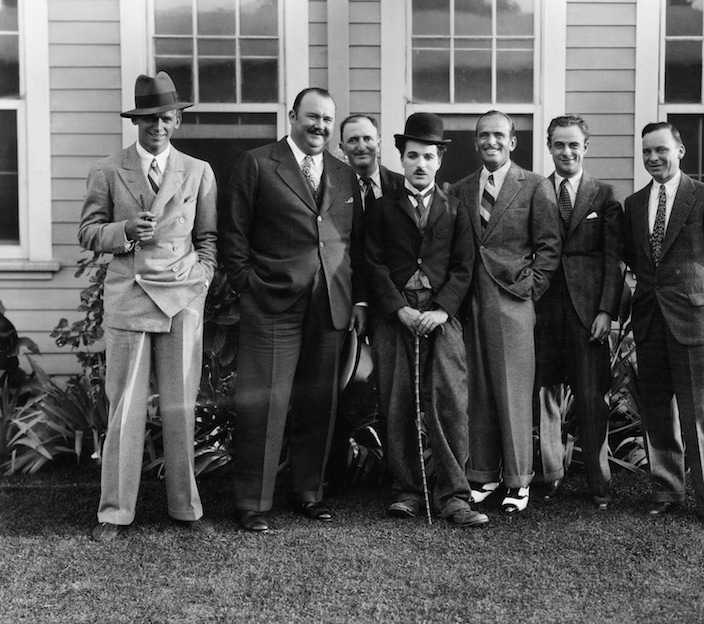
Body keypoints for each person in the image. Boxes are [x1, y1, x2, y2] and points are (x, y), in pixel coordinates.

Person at [78, 71, 217, 541]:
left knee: (180, 406)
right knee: (126, 410)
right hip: (129, 297)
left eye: (165, 117)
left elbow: (208, 238)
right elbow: (87, 232)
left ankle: (186, 509)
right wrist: (123, 233)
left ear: (177, 120)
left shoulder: (197, 171)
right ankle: (115, 512)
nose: (157, 126)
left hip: (181, 298)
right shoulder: (109, 169)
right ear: (135, 122)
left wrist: (203, 278)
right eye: (147, 119)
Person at [220, 87, 366, 532]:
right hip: (272, 304)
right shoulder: (259, 164)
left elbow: (353, 241)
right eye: (312, 117)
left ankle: (308, 492)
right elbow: (234, 235)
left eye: (327, 119)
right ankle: (252, 502)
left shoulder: (343, 175)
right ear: (292, 117)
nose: (320, 126)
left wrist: (355, 298)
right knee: (263, 404)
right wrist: (250, 285)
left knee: (318, 402)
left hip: (329, 305)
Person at [622, 121, 704, 531]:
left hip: (696, 317)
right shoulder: (635, 203)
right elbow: (635, 258)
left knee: (702, 414)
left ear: (680, 151)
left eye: (661, 150)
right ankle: (666, 489)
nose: (654, 158)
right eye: (647, 153)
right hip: (651, 318)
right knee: (657, 410)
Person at [364, 112, 487, 527]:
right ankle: (407, 491)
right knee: (397, 401)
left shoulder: (456, 209)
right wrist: (398, 308)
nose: (420, 163)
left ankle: (454, 495)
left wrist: (440, 310)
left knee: (449, 402)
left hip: (441, 316)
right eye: (412, 155)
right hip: (396, 315)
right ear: (401, 158)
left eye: (428, 156)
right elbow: (372, 263)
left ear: (440, 161)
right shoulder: (381, 209)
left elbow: (464, 266)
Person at [449, 110, 561, 515]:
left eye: (498, 135)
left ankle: (517, 482)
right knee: (477, 388)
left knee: (513, 390)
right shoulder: (461, 188)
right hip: (469, 298)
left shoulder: (533, 186)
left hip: (512, 299)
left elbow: (549, 246)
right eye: (483, 135)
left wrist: (531, 287)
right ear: (475, 142)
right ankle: (483, 474)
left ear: (513, 141)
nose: (490, 141)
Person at [535, 115, 625, 509]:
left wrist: (606, 310)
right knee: (545, 392)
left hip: (588, 312)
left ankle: (598, 482)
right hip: (543, 309)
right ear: (549, 146)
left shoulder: (604, 195)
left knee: (591, 397)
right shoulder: (536, 192)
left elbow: (614, 260)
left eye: (574, 145)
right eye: (559, 145)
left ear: (585, 147)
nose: (566, 152)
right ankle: (551, 474)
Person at [339, 114, 403, 214]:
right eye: (353, 140)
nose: (361, 147)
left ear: (378, 145)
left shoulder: (401, 186)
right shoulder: (333, 190)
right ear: (342, 148)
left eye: (367, 139)